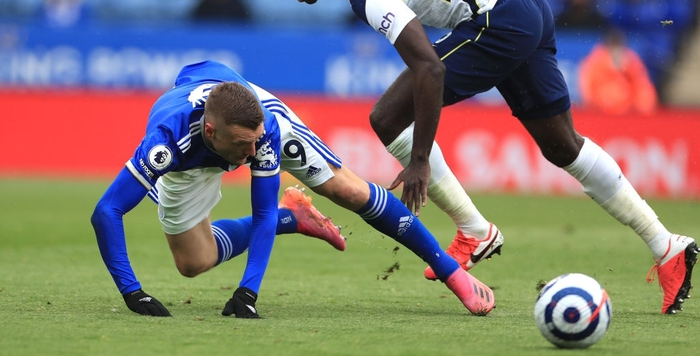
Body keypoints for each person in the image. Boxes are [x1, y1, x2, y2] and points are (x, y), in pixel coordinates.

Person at [268, 0, 698, 314]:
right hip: (522, 1)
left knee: (387, 118)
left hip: (496, 21)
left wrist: (419, 160)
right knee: (562, 145)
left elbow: (429, 70)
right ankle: (667, 246)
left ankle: (474, 231)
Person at [91, 60, 495, 318]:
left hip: (241, 103)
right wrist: (133, 293)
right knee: (193, 263)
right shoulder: (165, 146)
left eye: (256, 144)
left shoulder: (261, 133)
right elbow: (107, 211)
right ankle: (296, 217)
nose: (253, 154)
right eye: (243, 147)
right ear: (212, 133)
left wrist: (247, 292)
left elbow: (259, 204)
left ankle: (451, 271)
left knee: (347, 190)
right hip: (192, 155)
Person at [578, 28, 658, 115]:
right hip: (601, 112)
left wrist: (638, 105)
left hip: (628, 113)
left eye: (619, 47)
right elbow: (587, 92)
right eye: (613, 47)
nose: (616, 52)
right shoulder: (593, 63)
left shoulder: (632, 62)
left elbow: (645, 91)